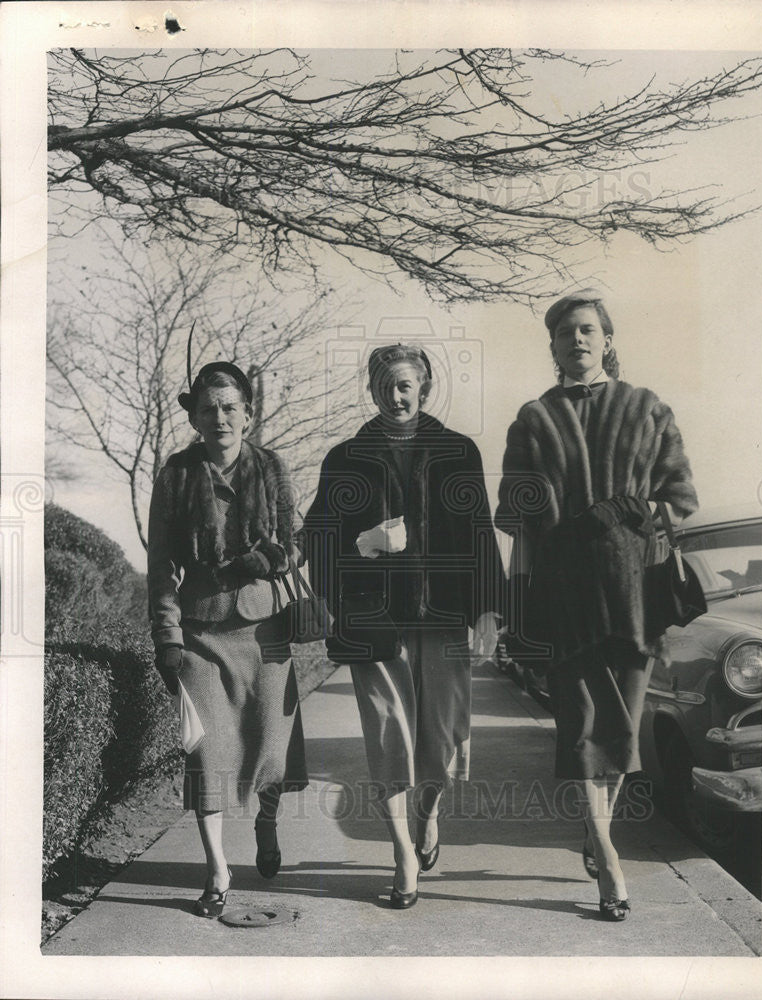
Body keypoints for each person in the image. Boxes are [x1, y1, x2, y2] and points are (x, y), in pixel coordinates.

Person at [495, 290, 698, 922]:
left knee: (621, 728)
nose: (576, 341)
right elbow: (518, 517)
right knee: (580, 725)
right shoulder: (533, 419)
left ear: (606, 339)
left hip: (635, 593)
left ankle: (596, 829)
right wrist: (517, 600)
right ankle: (608, 855)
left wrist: (638, 514)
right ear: (553, 347)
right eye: (564, 334)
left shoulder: (647, 408)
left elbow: (680, 497)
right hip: (565, 596)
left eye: (587, 330)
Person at [303, 344, 503, 909]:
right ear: (371, 390)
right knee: (390, 734)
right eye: (387, 385)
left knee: (442, 738)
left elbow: (481, 532)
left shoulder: (458, 451)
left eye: (407, 385)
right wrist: (357, 549)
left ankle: (429, 810)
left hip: (444, 616)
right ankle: (402, 856)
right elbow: (318, 534)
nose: (397, 396)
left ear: (425, 389)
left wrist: (490, 606)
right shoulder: (345, 458)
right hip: (374, 616)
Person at [148, 361, 308, 918]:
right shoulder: (175, 474)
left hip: (267, 632)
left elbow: (295, 541)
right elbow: (161, 564)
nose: (220, 417)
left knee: (271, 749)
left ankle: (267, 820)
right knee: (205, 753)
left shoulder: (271, 467)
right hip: (201, 636)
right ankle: (217, 869)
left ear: (248, 412)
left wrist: (269, 557)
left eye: (230, 407)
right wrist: (167, 638)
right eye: (208, 408)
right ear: (193, 415)